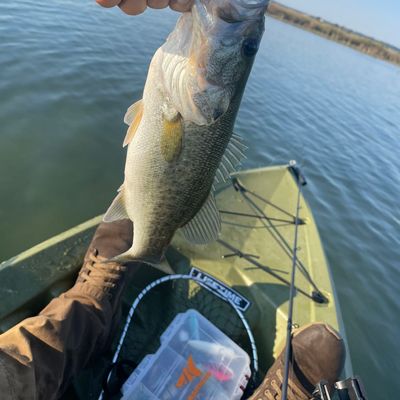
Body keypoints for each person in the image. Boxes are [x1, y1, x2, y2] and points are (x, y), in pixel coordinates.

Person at [0, 3, 345, 399]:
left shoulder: (192, 97)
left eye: (247, 47)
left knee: (16, 365)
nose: (243, 37)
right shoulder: (193, 88)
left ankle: (89, 305)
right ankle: (96, 300)